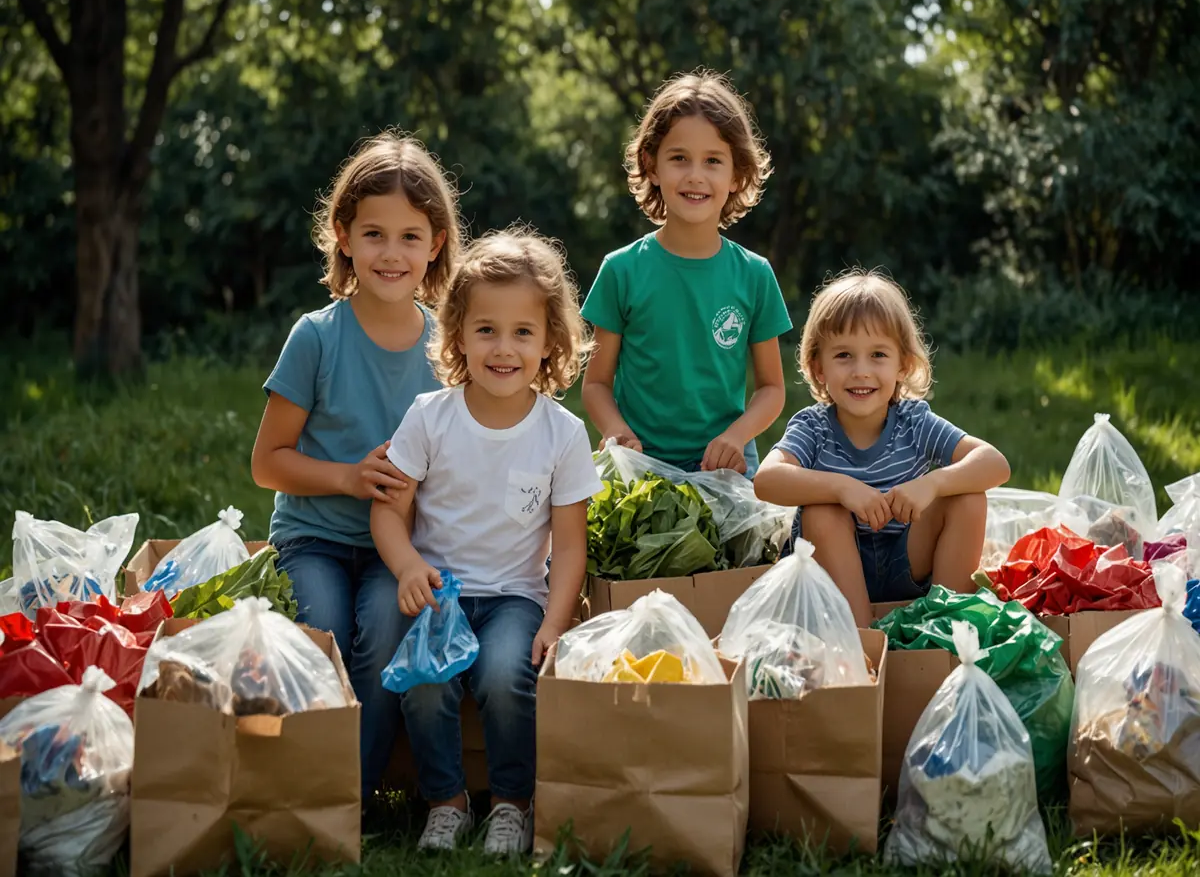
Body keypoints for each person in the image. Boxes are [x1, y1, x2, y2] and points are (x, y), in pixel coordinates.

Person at [371, 226, 601, 855]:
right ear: (458, 336)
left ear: (550, 342)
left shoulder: (562, 433)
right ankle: (445, 803)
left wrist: (553, 623)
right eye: (486, 330)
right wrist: (407, 566)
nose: (504, 348)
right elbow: (388, 514)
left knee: (505, 675)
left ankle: (511, 804)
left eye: (523, 332)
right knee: (425, 683)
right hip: (439, 593)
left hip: (515, 598)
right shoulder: (430, 417)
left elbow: (570, 546)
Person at [250, 130, 460, 797]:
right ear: (343, 236)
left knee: (384, 632)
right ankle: (312, 785)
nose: (391, 253)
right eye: (374, 234)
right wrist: (347, 476)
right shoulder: (316, 337)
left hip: (396, 547)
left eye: (410, 237)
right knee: (326, 634)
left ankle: (354, 795)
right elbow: (267, 463)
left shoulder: (447, 347)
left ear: (436, 244)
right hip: (313, 537)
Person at [753, 268, 1011, 627]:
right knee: (821, 513)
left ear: (903, 365)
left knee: (967, 498)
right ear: (818, 367)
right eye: (844, 355)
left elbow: (995, 463)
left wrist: (931, 484)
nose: (861, 371)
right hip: (834, 575)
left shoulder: (913, 421)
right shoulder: (813, 427)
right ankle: (863, 644)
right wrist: (841, 488)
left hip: (906, 563)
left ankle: (945, 632)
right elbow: (766, 479)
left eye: (877, 355)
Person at [581, 69, 792, 477]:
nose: (696, 175)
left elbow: (772, 389)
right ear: (652, 166)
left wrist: (736, 437)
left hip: (724, 470)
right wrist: (616, 430)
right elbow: (595, 385)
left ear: (736, 175)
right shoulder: (621, 270)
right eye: (679, 158)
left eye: (713, 161)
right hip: (640, 467)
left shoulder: (755, 275)